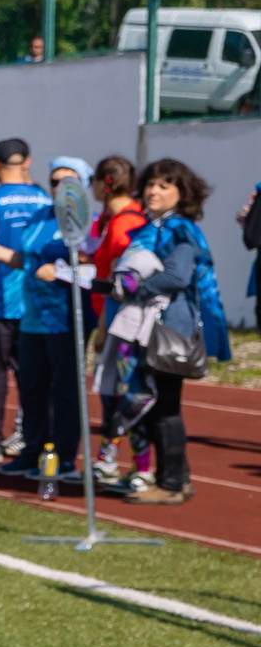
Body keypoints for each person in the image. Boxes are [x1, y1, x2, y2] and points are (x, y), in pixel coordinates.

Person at [0, 139, 74, 480]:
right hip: (36, 303)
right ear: (28, 160)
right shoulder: (44, 200)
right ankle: (30, 439)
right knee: (34, 380)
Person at [129, 158, 234, 504]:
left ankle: (171, 483)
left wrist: (134, 285)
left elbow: (177, 276)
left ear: (182, 193)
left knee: (165, 407)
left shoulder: (179, 229)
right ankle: (175, 479)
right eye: (151, 184)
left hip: (171, 325)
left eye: (164, 185)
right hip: (160, 323)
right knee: (160, 405)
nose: (154, 191)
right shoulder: (159, 226)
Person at [83, 157, 149, 489]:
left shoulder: (125, 224)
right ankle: (111, 459)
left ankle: (138, 468)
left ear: (106, 181)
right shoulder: (115, 221)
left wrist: (101, 324)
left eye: (94, 179)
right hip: (113, 319)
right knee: (114, 394)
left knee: (125, 394)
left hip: (120, 323)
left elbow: (122, 282)